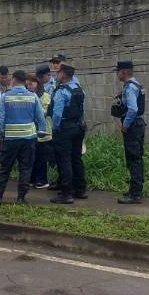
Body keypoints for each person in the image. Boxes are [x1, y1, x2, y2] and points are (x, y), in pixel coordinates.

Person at [0, 70, 47, 204]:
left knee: (5, 168)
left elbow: (0, 119)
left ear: (13, 80)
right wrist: (41, 131)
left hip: (10, 139)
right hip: (28, 138)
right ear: (25, 82)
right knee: (26, 168)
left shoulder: (5, 96)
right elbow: (41, 118)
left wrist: (0, 134)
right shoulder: (33, 97)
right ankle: (21, 198)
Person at [49, 63, 88, 204]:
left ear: (64, 74)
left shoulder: (61, 91)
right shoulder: (79, 89)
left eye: (58, 72)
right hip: (78, 127)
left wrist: (55, 128)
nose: (56, 75)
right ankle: (81, 190)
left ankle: (66, 193)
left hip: (64, 128)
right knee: (76, 158)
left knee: (64, 159)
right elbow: (82, 110)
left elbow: (57, 114)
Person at [115, 60, 146, 204]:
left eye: (118, 71)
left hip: (133, 126)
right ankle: (135, 189)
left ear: (124, 72)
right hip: (138, 125)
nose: (117, 74)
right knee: (135, 158)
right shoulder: (135, 84)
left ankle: (135, 194)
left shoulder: (130, 88)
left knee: (133, 159)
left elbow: (132, 109)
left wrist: (125, 125)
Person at [27, 71, 53, 190]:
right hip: (31, 132)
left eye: (32, 82)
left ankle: (42, 180)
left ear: (38, 83)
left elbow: (44, 112)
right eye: (28, 83)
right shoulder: (27, 95)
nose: (30, 85)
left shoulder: (45, 96)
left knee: (42, 158)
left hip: (43, 132)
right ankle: (32, 179)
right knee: (32, 157)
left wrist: (34, 108)